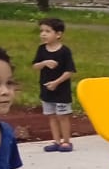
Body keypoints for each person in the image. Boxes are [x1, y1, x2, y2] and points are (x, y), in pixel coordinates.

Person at [32, 17, 76, 152]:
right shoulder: (41, 50)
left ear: (58, 34)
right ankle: (56, 141)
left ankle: (66, 141)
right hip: (46, 89)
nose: (43, 34)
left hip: (61, 90)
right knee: (51, 116)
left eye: (47, 31)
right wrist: (44, 63)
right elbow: (35, 66)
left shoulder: (64, 51)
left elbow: (70, 71)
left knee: (62, 116)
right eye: (42, 31)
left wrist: (56, 83)